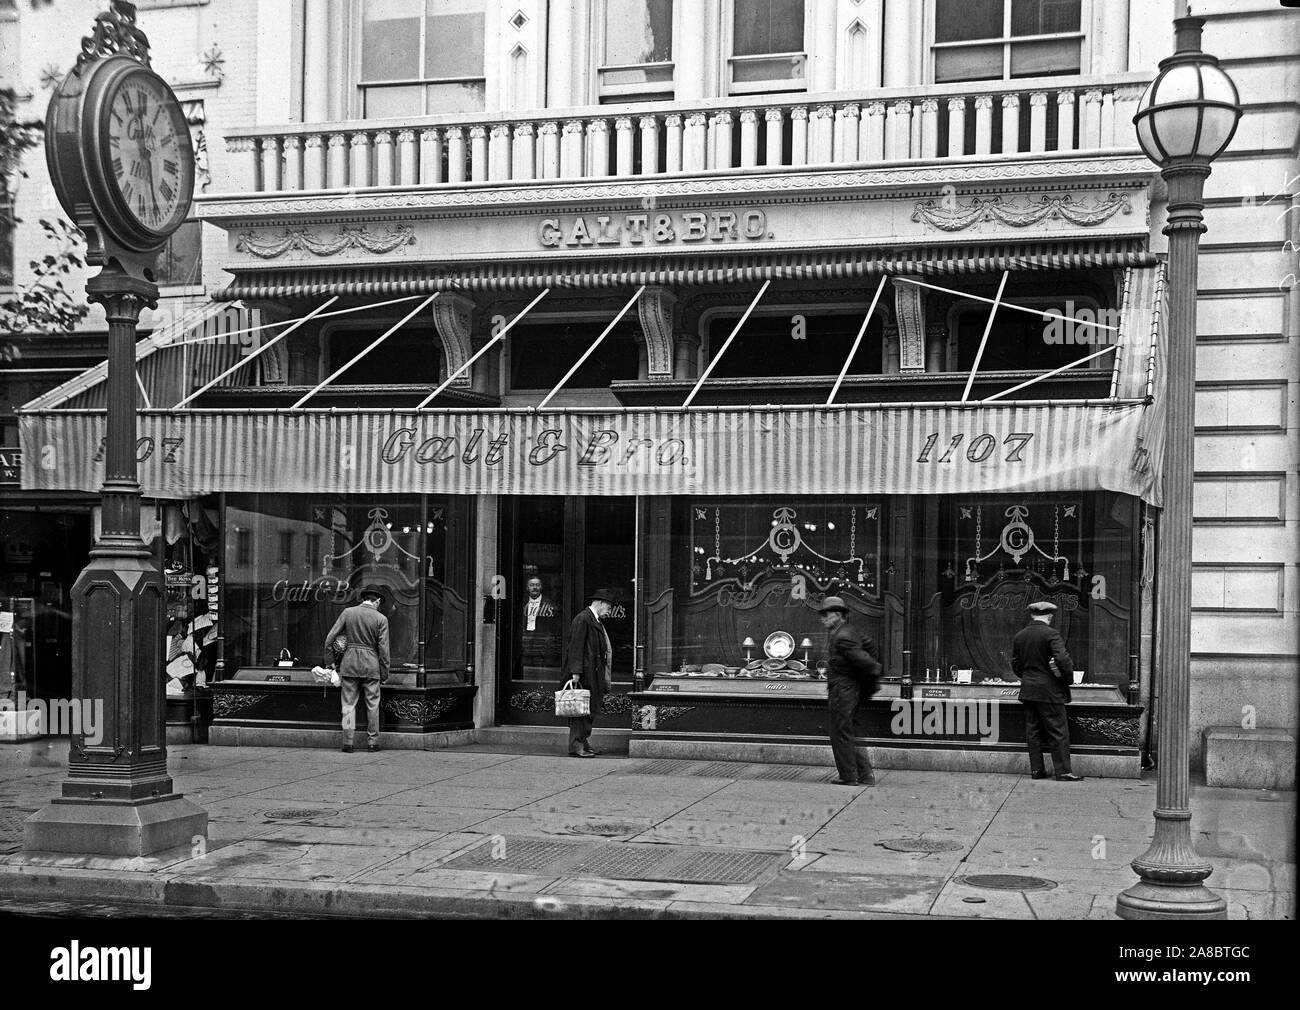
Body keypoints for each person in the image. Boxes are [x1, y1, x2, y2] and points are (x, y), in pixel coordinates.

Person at [1011, 600, 1083, 781]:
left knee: (1033, 732)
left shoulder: (1020, 636)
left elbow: (1016, 664)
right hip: (1050, 691)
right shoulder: (1051, 634)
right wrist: (1068, 680)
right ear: (1050, 616)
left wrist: (1028, 677)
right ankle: (1063, 771)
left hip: (1028, 689)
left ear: (1032, 615)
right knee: (1058, 732)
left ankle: (1036, 770)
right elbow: (1063, 660)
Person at [819, 596, 881, 786]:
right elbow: (869, 643)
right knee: (848, 731)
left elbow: (866, 661)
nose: (823, 619)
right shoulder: (847, 631)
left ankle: (848, 776)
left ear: (837, 615)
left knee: (840, 733)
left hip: (843, 689)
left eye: (826, 615)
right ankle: (864, 775)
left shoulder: (842, 635)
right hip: (848, 688)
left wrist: (870, 675)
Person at [324, 584, 390, 754]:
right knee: (372, 706)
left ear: (364, 599)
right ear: (377, 601)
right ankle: (373, 743)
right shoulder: (381, 619)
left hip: (349, 664)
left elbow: (329, 640)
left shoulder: (348, 613)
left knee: (348, 705)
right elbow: (383, 650)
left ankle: (348, 742)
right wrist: (384, 672)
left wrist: (331, 662)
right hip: (371, 665)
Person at [561, 588, 616, 758]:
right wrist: (575, 672)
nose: (609, 611)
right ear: (599, 604)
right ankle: (576, 745)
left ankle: (583, 743)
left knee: (588, 710)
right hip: (585, 674)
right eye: (608, 607)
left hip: (592, 673)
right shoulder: (583, 619)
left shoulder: (593, 619)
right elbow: (575, 647)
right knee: (581, 711)